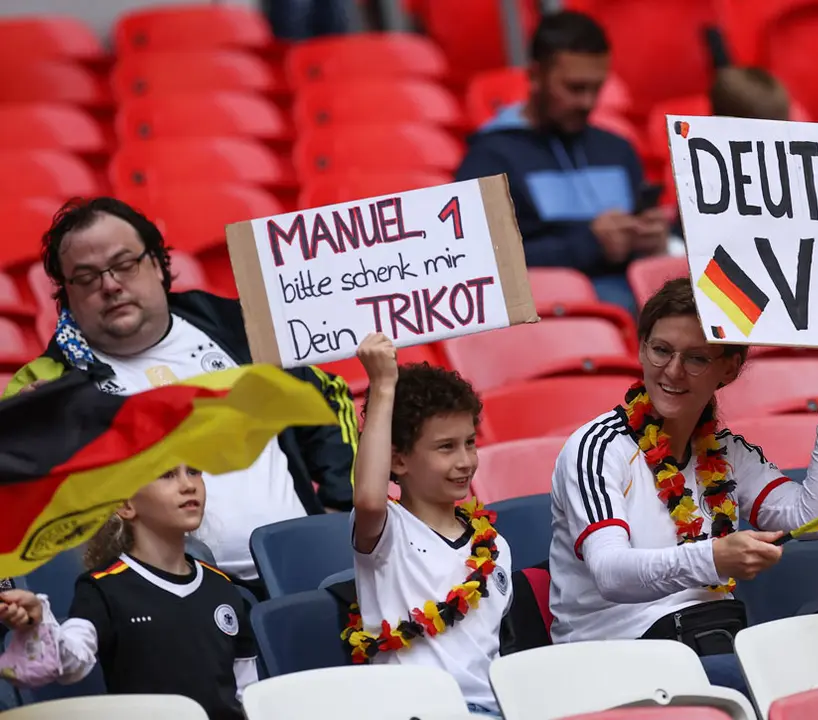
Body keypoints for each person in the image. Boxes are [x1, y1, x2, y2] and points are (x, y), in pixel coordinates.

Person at [548, 278, 818, 691]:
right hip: (610, 662)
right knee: (780, 687)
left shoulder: (727, 452)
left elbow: (816, 520)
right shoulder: (597, 447)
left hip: (709, 644)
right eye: (661, 351)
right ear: (640, 349)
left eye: (696, 358)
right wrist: (713, 558)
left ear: (728, 368)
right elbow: (610, 572)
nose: (672, 371)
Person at [3, 198, 358, 592]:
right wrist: (41, 444)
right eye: (86, 277)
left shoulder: (236, 323)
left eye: (124, 264)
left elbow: (326, 398)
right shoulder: (48, 384)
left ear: (156, 263)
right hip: (172, 604)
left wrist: (340, 505)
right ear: (66, 294)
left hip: (303, 574)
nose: (109, 284)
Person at [0, 465, 258, 720]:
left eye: (194, 471)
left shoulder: (222, 586)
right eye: (166, 475)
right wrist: (38, 623)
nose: (188, 485)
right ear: (126, 505)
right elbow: (72, 663)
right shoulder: (102, 587)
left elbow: (246, 694)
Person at [455, 10, 669, 313]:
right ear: (535, 76)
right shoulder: (491, 157)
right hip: (551, 309)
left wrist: (651, 238)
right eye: (574, 88)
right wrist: (589, 245)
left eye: (597, 88)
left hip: (634, 296)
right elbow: (479, 263)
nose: (588, 103)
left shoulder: (617, 149)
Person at [345, 334, 511, 717]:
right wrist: (383, 386)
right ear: (398, 461)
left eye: (469, 443)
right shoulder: (388, 533)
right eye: (445, 447)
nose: (466, 460)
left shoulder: (496, 545)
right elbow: (368, 498)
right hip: (415, 711)